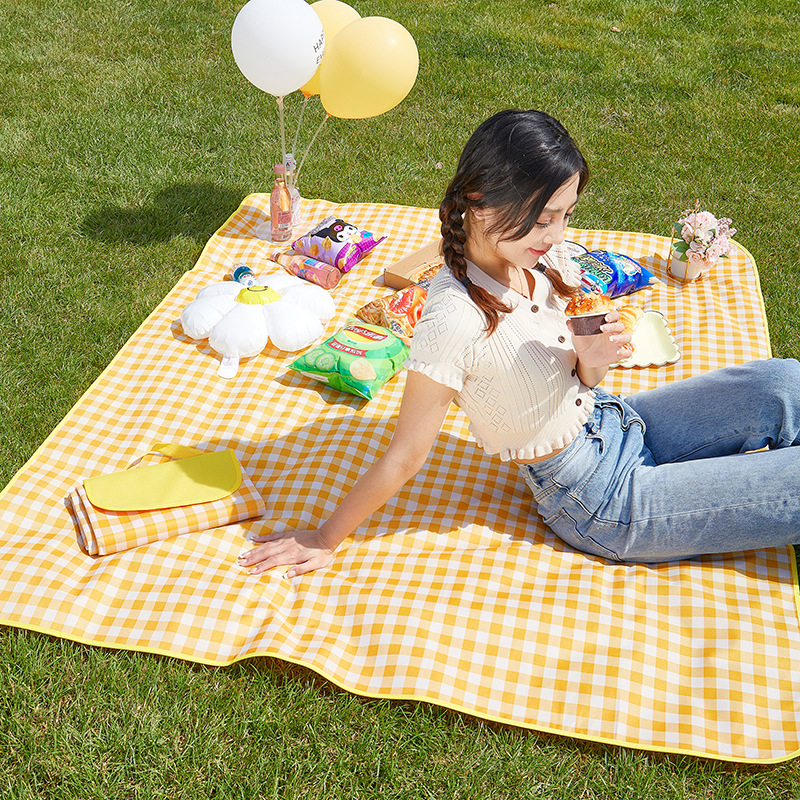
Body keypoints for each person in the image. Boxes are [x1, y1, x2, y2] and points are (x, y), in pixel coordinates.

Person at [239, 109, 800, 578]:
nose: (557, 236)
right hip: (600, 499)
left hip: (621, 422)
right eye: (543, 219)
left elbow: (575, 380)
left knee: (785, 381)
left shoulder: (541, 260)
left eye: (565, 216)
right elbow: (405, 455)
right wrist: (325, 537)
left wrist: (591, 361)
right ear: (479, 200)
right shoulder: (453, 318)